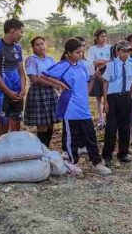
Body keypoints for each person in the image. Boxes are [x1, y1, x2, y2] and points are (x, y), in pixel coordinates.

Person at [42, 38, 111, 176]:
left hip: (83, 106)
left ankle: (97, 162)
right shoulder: (63, 65)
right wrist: (59, 83)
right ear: (68, 53)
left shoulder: (82, 66)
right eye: (77, 52)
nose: (80, 55)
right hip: (70, 106)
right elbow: (45, 74)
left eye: (81, 52)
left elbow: (87, 81)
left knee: (90, 135)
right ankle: (72, 161)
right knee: (71, 136)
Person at [100, 40, 132, 165]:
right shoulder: (111, 65)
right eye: (123, 51)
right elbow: (105, 82)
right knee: (111, 127)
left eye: (128, 51)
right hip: (113, 97)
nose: (126, 54)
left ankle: (123, 153)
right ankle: (107, 155)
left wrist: (131, 96)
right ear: (117, 52)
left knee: (125, 126)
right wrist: (106, 101)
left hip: (126, 97)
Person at [0, 18, 26, 136]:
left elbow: (21, 71)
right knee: (4, 124)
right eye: (21, 32)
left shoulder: (17, 48)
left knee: (16, 125)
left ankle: (15, 147)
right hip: (2, 93)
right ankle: (1, 147)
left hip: (17, 92)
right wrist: (8, 92)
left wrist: (23, 89)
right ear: (12, 30)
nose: (22, 35)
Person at [24, 36, 60, 148]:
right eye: (37, 45)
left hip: (50, 93)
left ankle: (46, 149)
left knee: (51, 123)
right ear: (33, 48)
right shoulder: (31, 60)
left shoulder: (50, 60)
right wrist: (52, 83)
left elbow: (55, 76)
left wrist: (48, 80)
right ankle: (42, 149)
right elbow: (34, 79)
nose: (40, 46)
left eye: (42, 44)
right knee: (42, 125)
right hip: (37, 93)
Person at [87, 29, 111, 128]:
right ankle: (101, 119)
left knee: (108, 97)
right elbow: (92, 62)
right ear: (97, 38)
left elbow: (112, 61)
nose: (104, 38)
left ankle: (108, 118)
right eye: (102, 36)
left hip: (108, 75)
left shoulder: (110, 47)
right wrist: (104, 61)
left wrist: (100, 61)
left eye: (105, 36)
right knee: (98, 98)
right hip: (97, 74)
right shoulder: (92, 49)